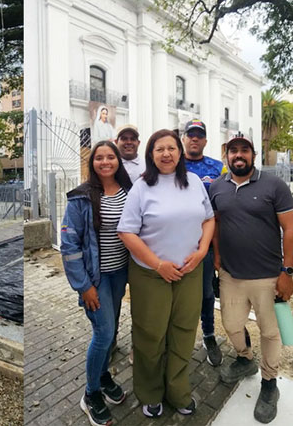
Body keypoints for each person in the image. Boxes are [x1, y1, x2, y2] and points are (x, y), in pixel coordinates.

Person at [117, 129, 215, 418]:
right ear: (151, 154)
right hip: (151, 274)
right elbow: (126, 231)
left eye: (171, 148)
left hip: (190, 271)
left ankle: (178, 390)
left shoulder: (194, 182)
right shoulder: (142, 187)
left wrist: (201, 251)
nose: (166, 154)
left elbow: (209, 219)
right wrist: (158, 264)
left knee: (184, 332)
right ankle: (150, 393)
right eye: (159, 149)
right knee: (151, 335)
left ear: (180, 152)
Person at [208, 132, 293, 424]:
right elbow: (216, 225)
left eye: (243, 150)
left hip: (268, 277)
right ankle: (245, 359)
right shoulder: (217, 188)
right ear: (227, 156)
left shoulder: (274, 185)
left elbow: (291, 229)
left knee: (270, 332)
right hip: (231, 275)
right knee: (232, 325)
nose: (238, 155)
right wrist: (218, 259)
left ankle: (270, 384)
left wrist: (287, 272)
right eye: (232, 150)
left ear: (253, 156)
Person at [60, 141, 134, 426]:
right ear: (92, 163)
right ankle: (90, 394)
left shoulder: (130, 192)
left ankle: (103, 376)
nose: (105, 161)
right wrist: (84, 286)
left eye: (110, 157)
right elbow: (69, 245)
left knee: (112, 329)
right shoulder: (81, 198)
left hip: (120, 275)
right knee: (103, 334)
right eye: (99, 157)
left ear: (118, 160)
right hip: (96, 278)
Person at [181, 119, 226, 366]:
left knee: (207, 293)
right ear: (184, 138)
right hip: (176, 243)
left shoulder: (218, 168)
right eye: (191, 135)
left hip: (207, 243)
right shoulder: (173, 165)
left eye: (199, 135)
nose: (195, 139)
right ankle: (178, 337)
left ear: (205, 141)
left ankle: (208, 335)